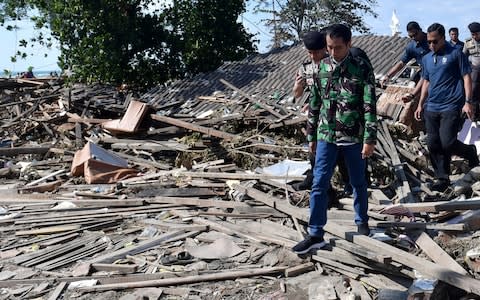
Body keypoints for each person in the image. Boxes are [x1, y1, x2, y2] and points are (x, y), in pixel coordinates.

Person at [292, 24, 377, 254]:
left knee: (358, 182)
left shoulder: (361, 68)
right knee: (319, 184)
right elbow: (315, 103)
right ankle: (315, 233)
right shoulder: (321, 68)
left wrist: (370, 138)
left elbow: (369, 105)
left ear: (349, 44)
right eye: (329, 47)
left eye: (337, 48)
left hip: (353, 136)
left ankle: (362, 223)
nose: (332, 52)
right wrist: (311, 135)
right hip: (326, 135)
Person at [414, 23, 478, 192]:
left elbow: (467, 77)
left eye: (435, 41)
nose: (431, 45)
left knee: (447, 142)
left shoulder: (456, 54)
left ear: (443, 38)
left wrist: (468, 102)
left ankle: (470, 152)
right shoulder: (427, 58)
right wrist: (420, 104)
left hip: (451, 105)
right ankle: (442, 178)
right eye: (429, 42)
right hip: (431, 106)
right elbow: (426, 81)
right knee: (433, 143)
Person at [381, 21, 430, 103]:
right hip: (423, 77)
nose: (413, 38)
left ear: (420, 30)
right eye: (411, 36)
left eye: (415, 34)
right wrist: (388, 76)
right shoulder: (411, 46)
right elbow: (401, 63)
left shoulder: (431, 40)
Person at [464, 22, 480, 106]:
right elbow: (463, 56)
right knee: (473, 91)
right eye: (472, 34)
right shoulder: (468, 42)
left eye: (476, 34)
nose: (474, 36)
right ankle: (475, 115)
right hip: (474, 69)